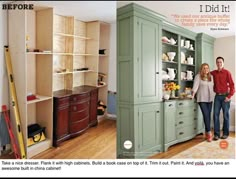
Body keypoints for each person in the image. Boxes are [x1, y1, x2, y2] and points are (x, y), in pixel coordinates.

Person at [211, 56, 235, 140]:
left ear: (223, 63)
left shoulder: (227, 73)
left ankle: (225, 133)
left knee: (226, 115)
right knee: (215, 115)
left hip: (225, 97)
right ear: (216, 63)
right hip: (217, 96)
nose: (219, 63)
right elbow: (205, 74)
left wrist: (229, 96)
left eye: (220, 62)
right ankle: (216, 134)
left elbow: (232, 85)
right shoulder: (213, 73)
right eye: (217, 62)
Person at [192, 63, 214, 142]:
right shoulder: (198, 76)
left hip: (210, 99)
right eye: (204, 68)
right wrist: (193, 94)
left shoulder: (211, 77)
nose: (206, 70)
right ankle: (208, 133)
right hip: (202, 99)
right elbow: (195, 86)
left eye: (207, 68)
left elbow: (213, 87)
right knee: (206, 115)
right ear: (201, 69)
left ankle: (207, 131)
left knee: (208, 116)